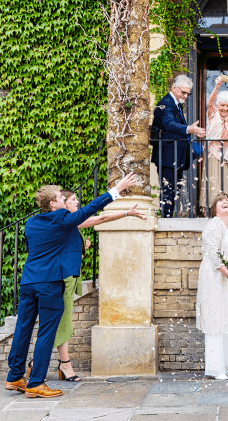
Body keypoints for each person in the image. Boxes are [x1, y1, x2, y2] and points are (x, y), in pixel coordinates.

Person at [5, 172, 137, 398]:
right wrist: (117, 189)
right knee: (47, 333)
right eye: (60, 197)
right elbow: (90, 210)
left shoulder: (31, 223)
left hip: (28, 281)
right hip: (49, 284)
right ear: (53, 203)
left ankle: (15, 376)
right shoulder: (63, 219)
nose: (65, 200)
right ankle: (35, 382)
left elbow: (49, 246)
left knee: (23, 329)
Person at [49, 191, 146, 382]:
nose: (77, 202)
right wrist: (126, 213)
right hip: (61, 279)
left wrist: (80, 247)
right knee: (61, 322)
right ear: (62, 204)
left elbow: (99, 220)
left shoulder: (70, 223)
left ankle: (55, 364)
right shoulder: (65, 221)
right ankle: (56, 364)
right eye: (72, 200)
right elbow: (102, 217)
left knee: (62, 322)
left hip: (69, 279)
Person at [196, 193, 228, 380]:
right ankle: (215, 368)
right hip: (216, 277)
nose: (225, 202)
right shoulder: (214, 224)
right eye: (220, 201)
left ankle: (226, 365)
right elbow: (212, 252)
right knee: (216, 319)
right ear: (214, 208)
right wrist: (225, 271)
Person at [150, 75, 206, 218]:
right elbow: (169, 124)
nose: (186, 96)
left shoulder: (175, 103)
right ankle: (166, 220)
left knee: (174, 191)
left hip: (175, 157)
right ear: (174, 88)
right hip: (167, 157)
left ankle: (169, 218)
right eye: (183, 92)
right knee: (168, 192)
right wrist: (189, 129)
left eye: (188, 93)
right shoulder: (165, 104)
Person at [200, 76, 228, 212]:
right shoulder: (213, 114)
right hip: (213, 154)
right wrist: (216, 87)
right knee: (213, 183)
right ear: (217, 105)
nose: (225, 108)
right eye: (222, 105)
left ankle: (227, 211)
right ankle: (209, 211)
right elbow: (210, 102)